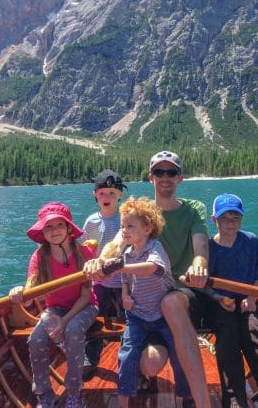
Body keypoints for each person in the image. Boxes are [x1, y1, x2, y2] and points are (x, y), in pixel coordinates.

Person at [83, 150, 212, 408]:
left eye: (171, 172)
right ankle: (142, 371)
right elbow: (117, 245)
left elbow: (201, 250)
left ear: (180, 178)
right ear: (150, 177)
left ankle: (199, 401)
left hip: (182, 294)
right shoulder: (141, 213)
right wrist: (101, 260)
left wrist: (199, 265)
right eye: (159, 172)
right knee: (151, 363)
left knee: (172, 303)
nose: (165, 177)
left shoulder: (193, 209)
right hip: (146, 305)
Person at [9, 202, 98, 408]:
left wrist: (64, 321)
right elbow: (30, 295)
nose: (54, 231)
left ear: (69, 228)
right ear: (43, 232)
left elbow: (86, 296)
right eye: (48, 227)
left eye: (59, 225)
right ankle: (44, 393)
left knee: (74, 330)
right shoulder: (39, 257)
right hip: (55, 309)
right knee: (35, 339)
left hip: (86, 307)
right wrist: (18, 293)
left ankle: (74, 392)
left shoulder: (84, 253)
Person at [106, 196, 190, 407]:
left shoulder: (155, 249)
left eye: (130, 226)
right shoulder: (127, 253)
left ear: (147, 228)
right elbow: (125, 280)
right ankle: (124, 400)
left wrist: (118, 266)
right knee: (126, 355)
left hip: (163, 316)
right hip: (137, 316)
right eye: (123, 226)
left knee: (180, 352)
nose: (124, 231)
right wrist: (125, 295)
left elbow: (150, 268)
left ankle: (185, 395)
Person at [206, 193, 258, 408]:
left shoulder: (251, 241)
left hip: (249, 302)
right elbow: (205, 285)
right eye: (225, 218)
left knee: (255, 336)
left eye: (236, 218)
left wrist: (252, 297)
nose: (231, 223)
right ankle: (234, 400)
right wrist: (219, 298)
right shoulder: (209, 248)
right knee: (228, 339)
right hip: (221, 305)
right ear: (214, 220)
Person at [81, 169, 127, 378]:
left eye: (112, 193)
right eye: (102, 193)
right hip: (100, 282)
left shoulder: (125, 219)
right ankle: (90, 359)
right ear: (94, 195)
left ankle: (129, 360)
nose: (106, 197)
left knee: (128, 321)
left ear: (120, 195)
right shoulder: (91, 222)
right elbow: (86, 251)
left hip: (126, 281)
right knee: (96, 322)